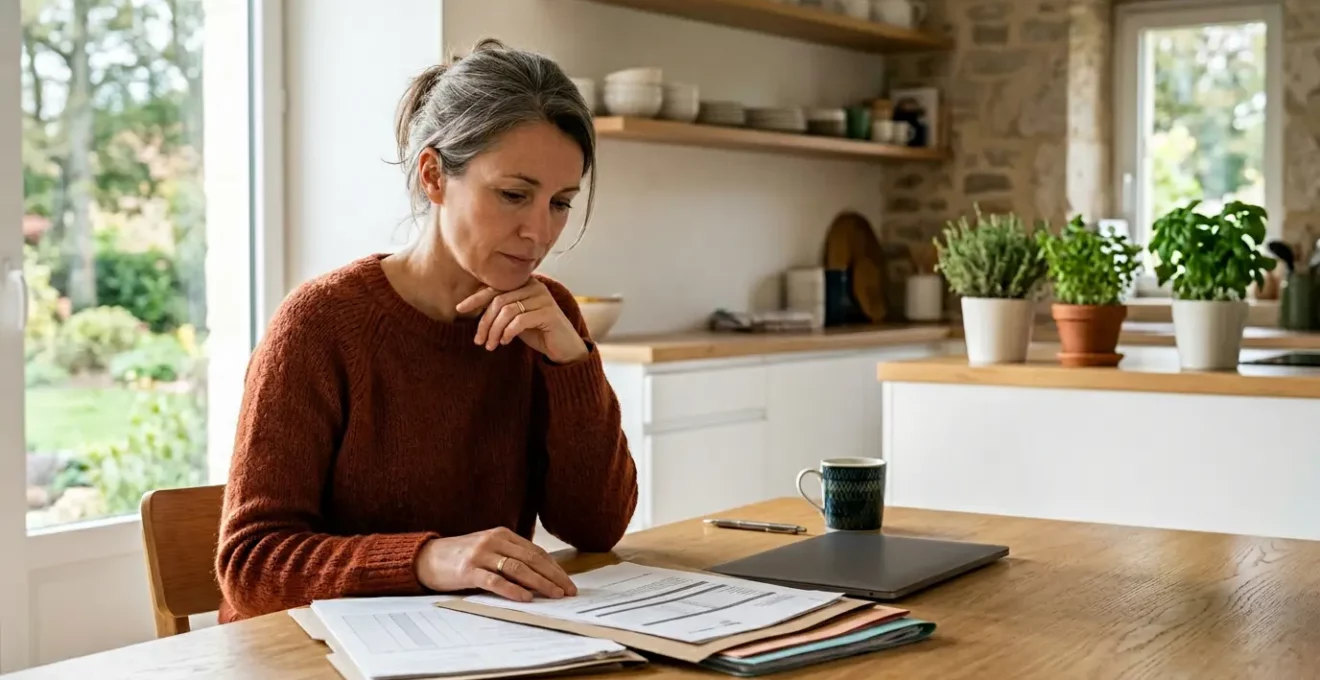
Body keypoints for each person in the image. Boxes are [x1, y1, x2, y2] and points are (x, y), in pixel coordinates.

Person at [214, 39, 638, 623]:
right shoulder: (318, 324)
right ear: (434, 175)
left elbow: (597, 528)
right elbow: (251, 566)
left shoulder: (546, 315)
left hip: (478, 645)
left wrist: (572, 365)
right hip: (314, 657)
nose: (539, 232)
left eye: (560, 203)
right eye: (514, 195)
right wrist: (429, 560)